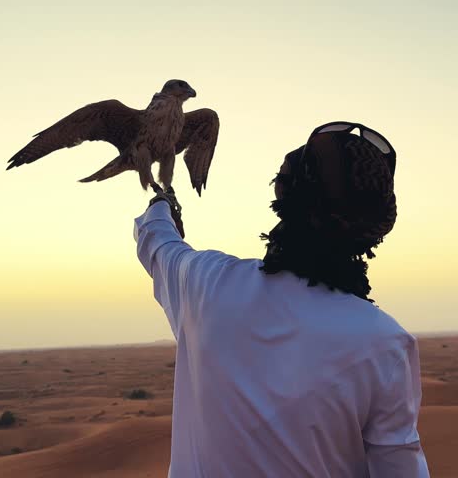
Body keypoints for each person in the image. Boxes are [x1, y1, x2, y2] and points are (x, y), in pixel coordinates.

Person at [134, 122, 429, 477]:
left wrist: (162, 205)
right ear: (374, 228)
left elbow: (157, 240)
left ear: (283, 194)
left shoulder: (206, 283)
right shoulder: (384, 343)